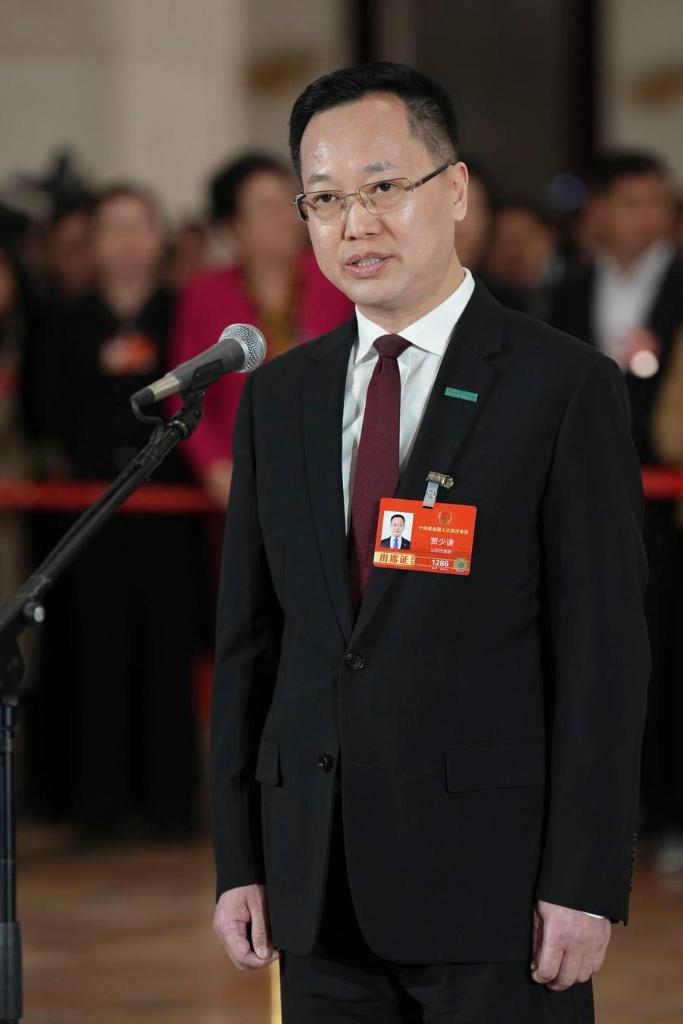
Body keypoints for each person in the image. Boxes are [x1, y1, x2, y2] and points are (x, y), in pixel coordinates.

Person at [210, 62, 649, 1022]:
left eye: (381, 186)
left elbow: (602, 657)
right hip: (314, 884)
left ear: (453, 191)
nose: (354, 224)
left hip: (495, 891)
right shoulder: (279, 397)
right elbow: (251, 645)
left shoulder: (559, 386)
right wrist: (240, 859)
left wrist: (582, 879)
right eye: (325, 198)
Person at [44, 183, 205, 843]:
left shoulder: (183, 313)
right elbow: (47, 414)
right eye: (113, 228)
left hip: (169, 515)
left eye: (140, 226)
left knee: (167, 654)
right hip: (89, 514)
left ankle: (169, 805)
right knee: (96, 654)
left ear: (159, 237)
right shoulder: (67, 318)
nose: (128, 242)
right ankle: (98, 805)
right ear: (94, 242)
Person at [551, 151, 683, 869]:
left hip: (665, 502)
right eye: (631, 201)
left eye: (658, 200)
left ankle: (667, 810)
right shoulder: (570, 289)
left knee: (662, 648)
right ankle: (604, 805)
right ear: (598, 209)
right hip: (586, 488)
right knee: (589, 646)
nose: (647, 216)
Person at [171, 152, 353, 507]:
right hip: (243, 479)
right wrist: (215, 467)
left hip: (333, 475)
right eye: (267, 207)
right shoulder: (205, 295)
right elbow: (185, 392)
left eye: (290, 202)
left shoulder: (336, 280)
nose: (287, 217)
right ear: (234, 226)